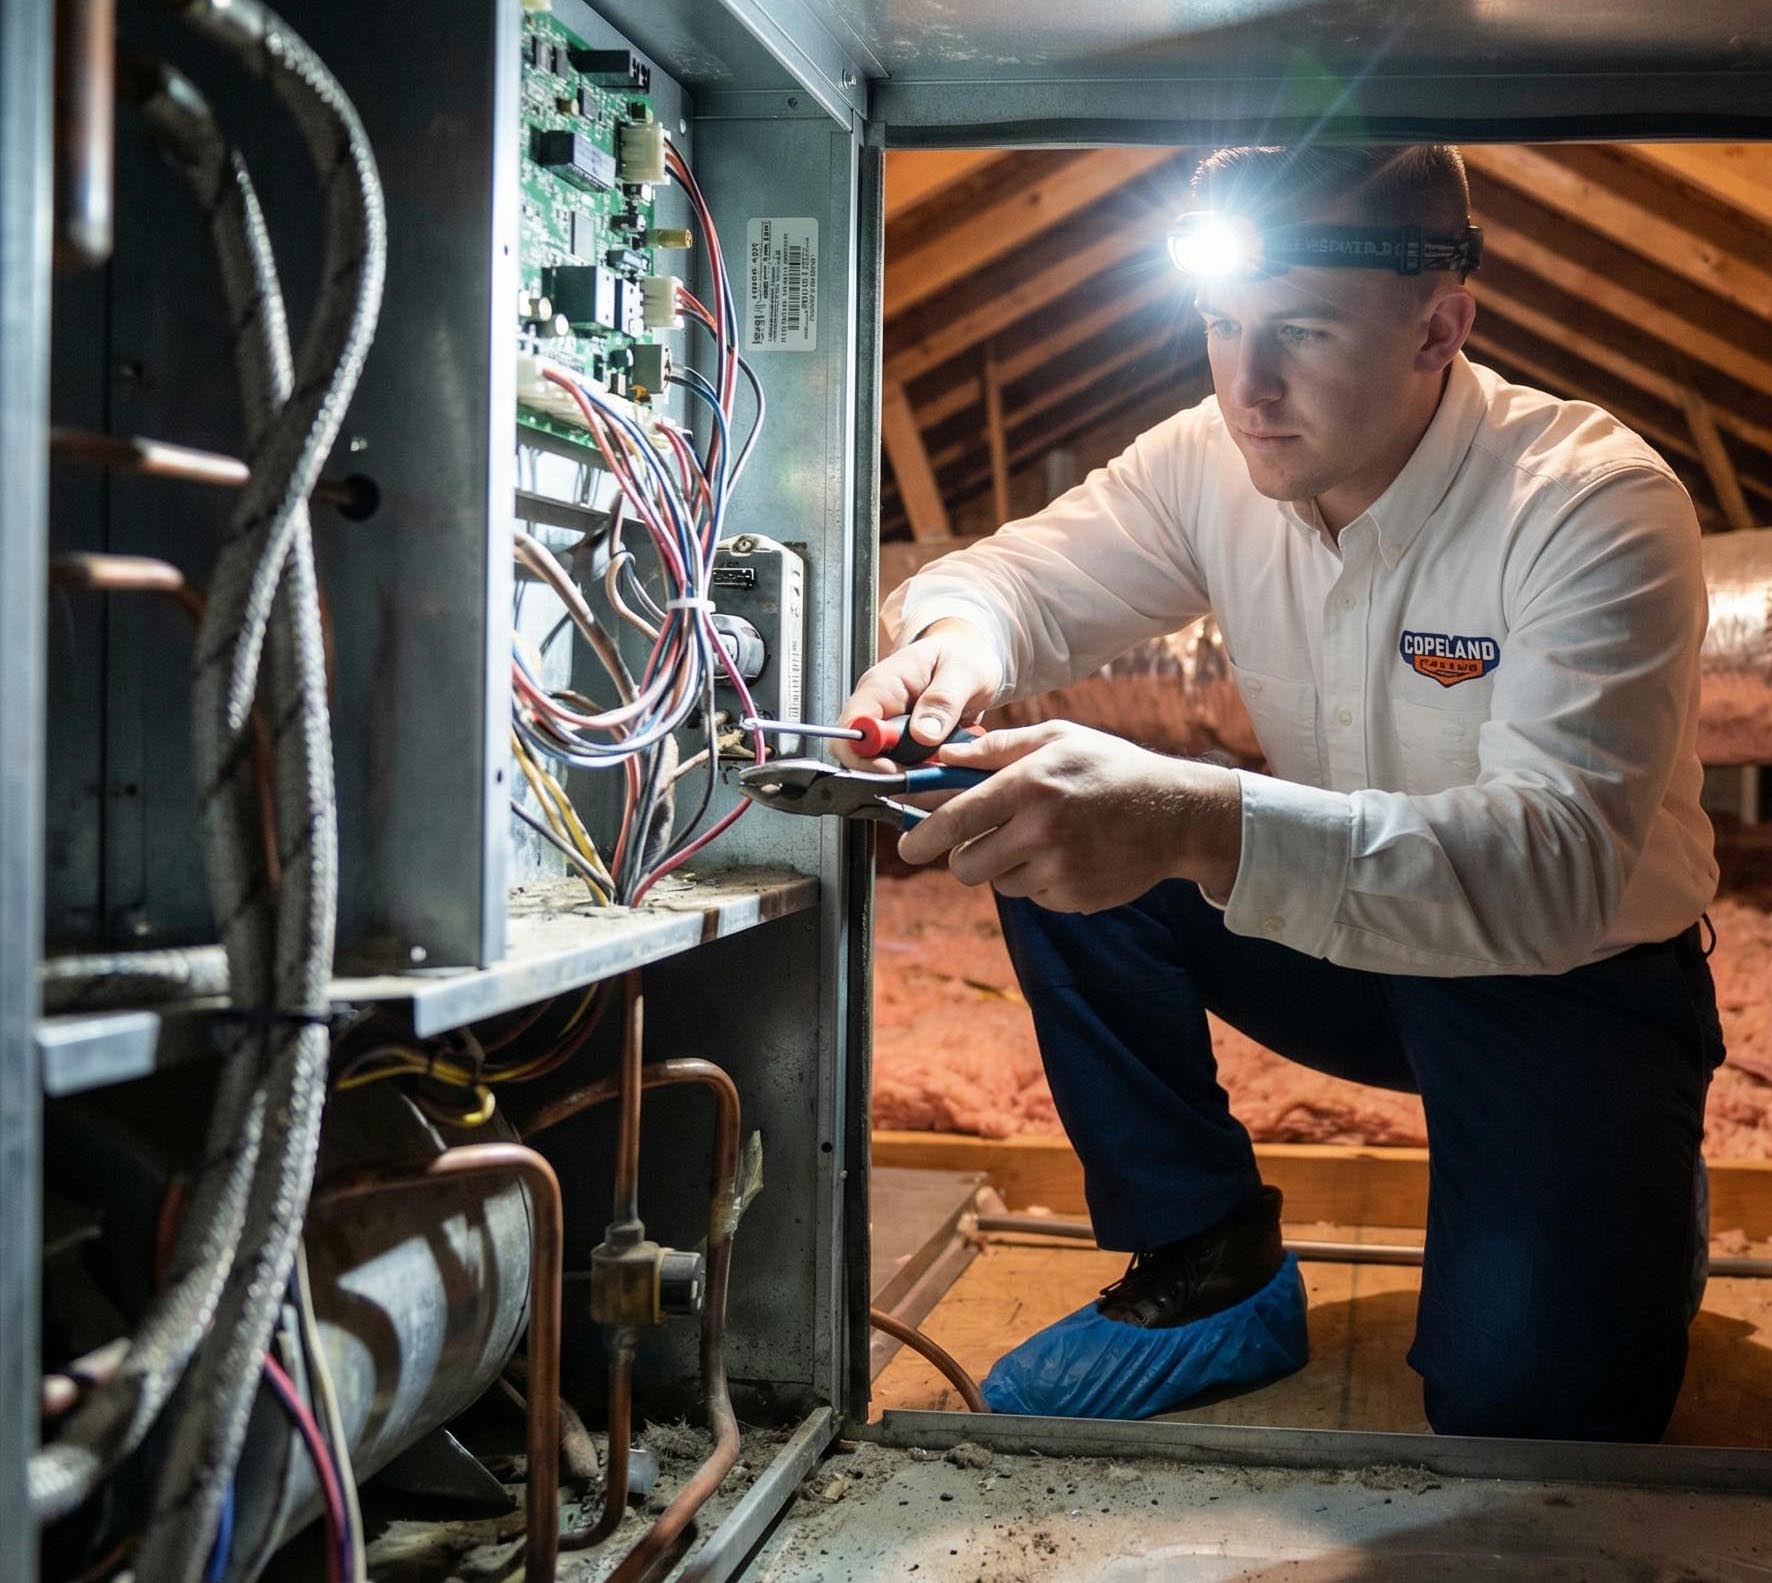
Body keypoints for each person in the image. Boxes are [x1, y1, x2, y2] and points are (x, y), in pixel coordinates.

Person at [845, 144, 1727, 1441]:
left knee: (1527, 1419)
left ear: (1439, 327)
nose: (1246, 385)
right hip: (1353, 955)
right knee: (1047, 823)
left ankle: (1635, 1184)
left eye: (1300, 332)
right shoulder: (1209, 461)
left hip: (1570, 984)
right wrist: (956, 642)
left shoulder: (1590, 505)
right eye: (1222, 326)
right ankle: (1207, 1258)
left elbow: (1556, 867)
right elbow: (1016, 578)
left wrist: (1196, 819)